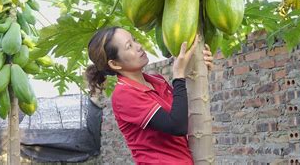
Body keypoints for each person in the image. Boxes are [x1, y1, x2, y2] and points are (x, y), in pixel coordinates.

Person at [85, 27, 213, 164]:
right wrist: (178, 75)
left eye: (134, 40)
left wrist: (200, 72)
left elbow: (182, 113)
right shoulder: (124, 94)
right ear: (115, 64)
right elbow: (177, 126)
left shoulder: (157, 81)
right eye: (129, 46)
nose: (139, 46)